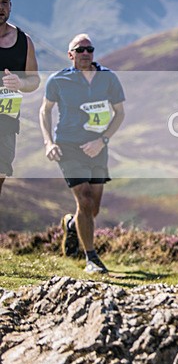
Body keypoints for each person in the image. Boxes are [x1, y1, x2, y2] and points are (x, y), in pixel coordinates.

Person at [39, 34, 125, 274]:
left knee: (92, 209)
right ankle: (91, 259)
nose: (86, 53)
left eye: (90, 49)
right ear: (71, 55)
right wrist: (48, 142)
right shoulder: (58, 80)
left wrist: (103, 140)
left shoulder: (108, 78)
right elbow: (44, 111)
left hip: (98, 148)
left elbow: (120, 113)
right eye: (80, 50)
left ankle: (71, 223)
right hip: (68, 147)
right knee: (84, 199)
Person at [0, 0, 40, 193]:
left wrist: (20, 82)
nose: (0, 8)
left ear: (10, 6)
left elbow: (34, 80)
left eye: (4, 2)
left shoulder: (24, 41)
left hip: (5, 124)